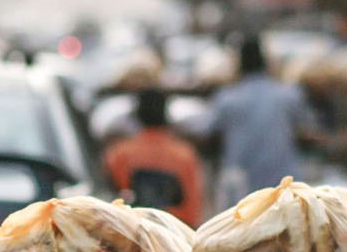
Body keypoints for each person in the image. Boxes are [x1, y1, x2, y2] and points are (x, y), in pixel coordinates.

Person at [202, 35, 322, 204]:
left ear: (239, 65)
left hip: (242, 190)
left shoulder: (227, 99)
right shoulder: (288, 95)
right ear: (266, 63)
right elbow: (309, 129)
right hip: (284, 186)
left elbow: (208, 131)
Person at [104, 88, 207, 226]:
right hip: (176, 231)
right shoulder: (185, 154)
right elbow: (193, 205)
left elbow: (112, 199)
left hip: (134, 230)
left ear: (138, 115)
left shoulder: (120, 154)